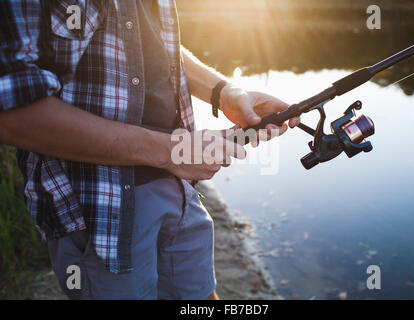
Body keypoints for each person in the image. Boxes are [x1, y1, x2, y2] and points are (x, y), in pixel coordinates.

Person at [0, 0, 299, 299]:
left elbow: (152, 41)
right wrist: (170, 151)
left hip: (179, 190)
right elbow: (10, 114)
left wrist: (224, 92)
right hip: (100, 213)